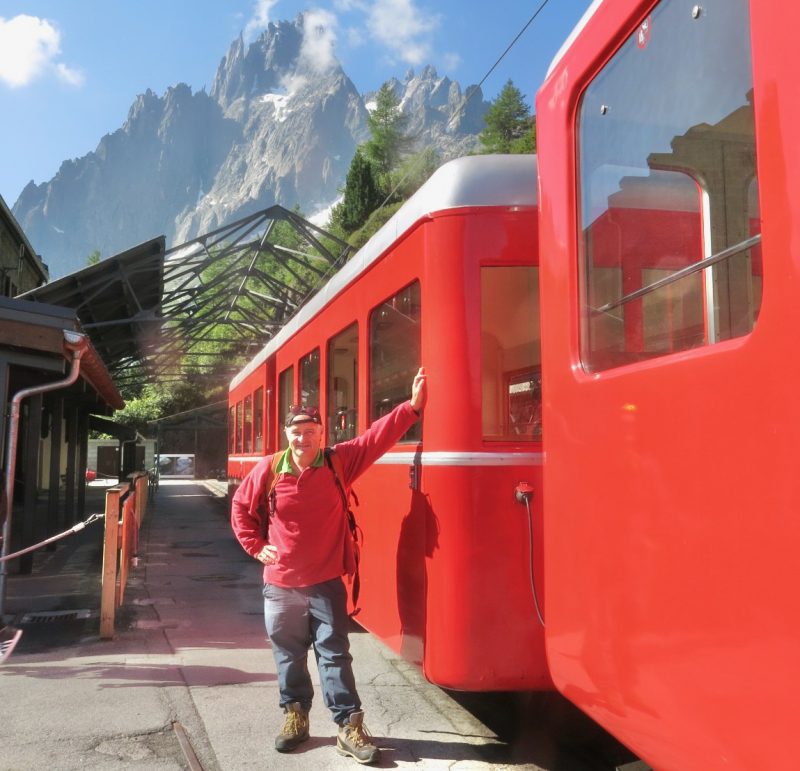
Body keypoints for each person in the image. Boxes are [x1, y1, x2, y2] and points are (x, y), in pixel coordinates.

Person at [231, 367, 427, 765]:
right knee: (288, 654)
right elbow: (240, 508)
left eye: (310, 431)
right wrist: (256, 546)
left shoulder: (340, 462)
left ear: (322, 434)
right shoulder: (269, 469)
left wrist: (412, 407)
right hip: (281, 584)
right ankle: (295, 717)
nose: (303, 439)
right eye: (296, 432)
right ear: (287, 435)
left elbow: (377, 437)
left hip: (325, 581)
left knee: (334, 653)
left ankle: (347, 725)